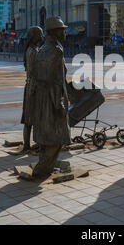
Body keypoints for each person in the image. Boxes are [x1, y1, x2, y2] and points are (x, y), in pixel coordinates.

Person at [31, 17, 71, 178]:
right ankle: (42, 169)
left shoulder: (43, 48)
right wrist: (59, 102)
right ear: (55, 32)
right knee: (57, 136)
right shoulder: (55, 50)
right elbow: (54, 80)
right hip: (52, 99)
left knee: (46, 136)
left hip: (43, 98)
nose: (65, 32)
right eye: (62, 29)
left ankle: (46, 166)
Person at [21, 26, 44, 153]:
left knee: (29, 118)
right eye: (40, 34)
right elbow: (34, 72)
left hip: (30, 86)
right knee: (34, 117)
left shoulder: (32, 49)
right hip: (34, 88)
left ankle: (27, 145)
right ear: (34, 36)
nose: (42, 36)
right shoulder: (33, 51)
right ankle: (31, 144)